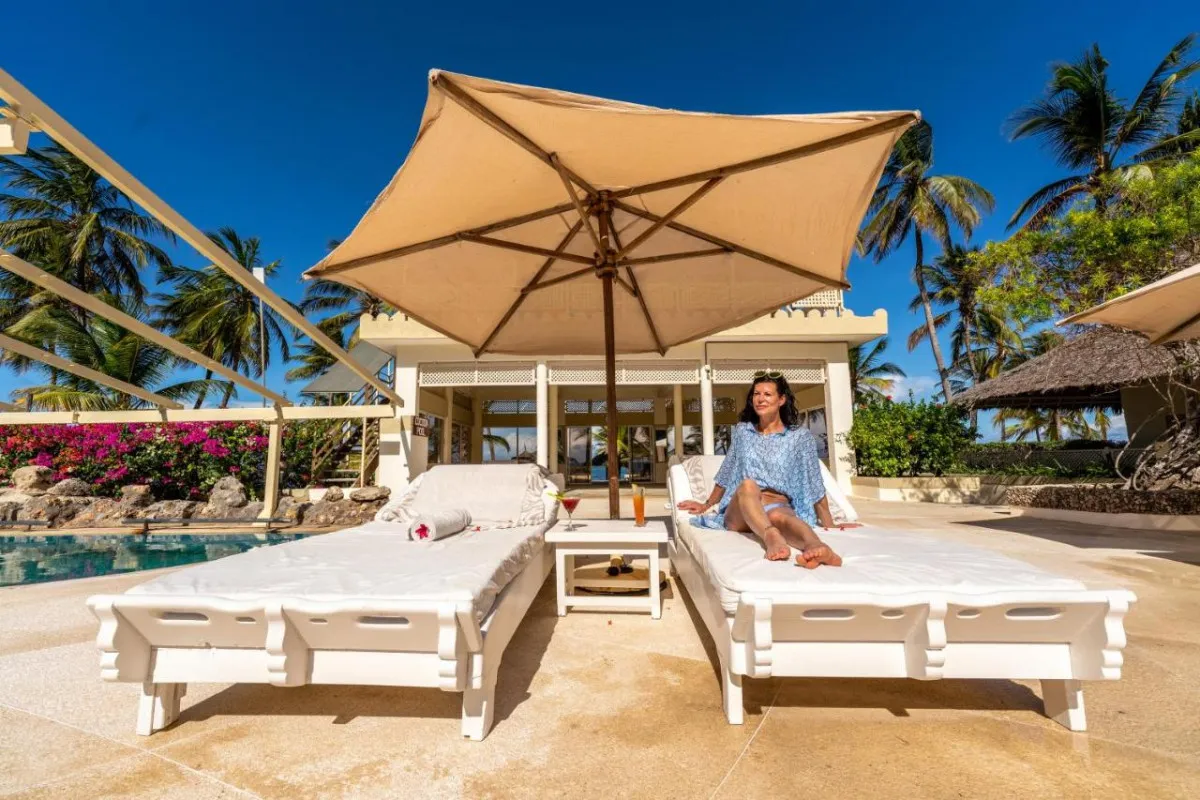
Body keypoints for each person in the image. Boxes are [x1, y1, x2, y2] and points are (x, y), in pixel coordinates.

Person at [675, 371, 859, 567]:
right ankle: (771, 536)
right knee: (748, 485)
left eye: (767, 394)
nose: (760, 399)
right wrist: (706, 504)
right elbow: (727, 472)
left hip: (777, 505)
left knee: (784, 518)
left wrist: (829, 524)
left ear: (781, 400)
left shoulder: (799, 437)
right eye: (756, 394)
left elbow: (814, 481)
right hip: (741, 509)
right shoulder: (743, 432)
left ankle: (817, 548)